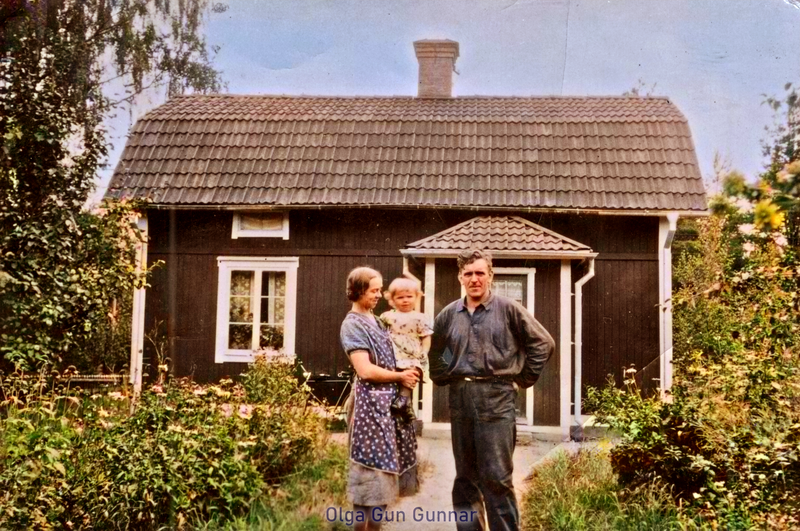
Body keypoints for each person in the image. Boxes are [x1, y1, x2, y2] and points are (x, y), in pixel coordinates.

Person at [429, 250, 555, 531]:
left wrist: (523, 377)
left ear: (490, 276)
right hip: (461, 400)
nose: (475, 279)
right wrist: (445, 373)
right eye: (469, 273)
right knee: (465, 479)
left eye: (480, 273)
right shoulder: (449, 315)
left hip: (497, 399)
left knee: (496, 477)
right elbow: (442, 353)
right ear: (460, 276)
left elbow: (542, 344)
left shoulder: (508, 309)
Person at [340, 267, 421, 531]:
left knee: (385, 478)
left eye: (379, 289)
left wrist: (406, 373)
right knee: (368, 479)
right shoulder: (352, 324)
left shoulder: (376, 319)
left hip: (386, 408)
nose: (379, 295)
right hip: (368, 408)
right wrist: (399, 378)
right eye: (374, 290)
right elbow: (364, 370)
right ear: (359, 290)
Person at [379, 277, 433, 423]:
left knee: (412, 372)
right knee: (396, 376)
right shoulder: (388, 316)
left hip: (412, 353)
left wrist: (424, 351)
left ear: (416, 297)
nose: (405, 300)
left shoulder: (420, 317)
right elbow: (380, 332)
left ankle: (403, 399)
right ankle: (406, 405)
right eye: (400, 297)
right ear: (392, 299)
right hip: (393, 351)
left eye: (409, 297)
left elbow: (426, 336)